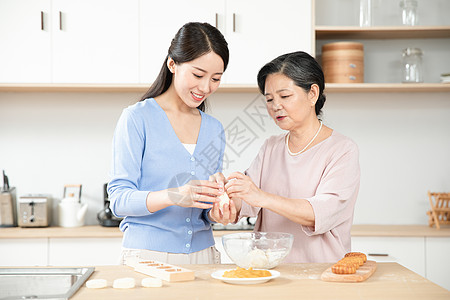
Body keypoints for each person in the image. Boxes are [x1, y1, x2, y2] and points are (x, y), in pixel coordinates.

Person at [209, 51, 360, 263]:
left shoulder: (342, 150)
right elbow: (244, 201)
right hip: (270, 271)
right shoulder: (271, 147)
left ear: (312, 94)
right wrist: (224, 204)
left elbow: (319, 213)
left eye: (285, 96)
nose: (275, 106)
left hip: (322, 274)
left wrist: (262, 197)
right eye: (269, 99)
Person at [108, 22, 230, 265]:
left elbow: (204, 207)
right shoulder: (137, 118)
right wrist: (175, 195)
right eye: (198, 75)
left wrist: (217, 211)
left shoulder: (214, 129)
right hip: (147, 258)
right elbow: (119, 200)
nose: (205, 87)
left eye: (215, 78)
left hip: (204, 257)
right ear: (172, 64)